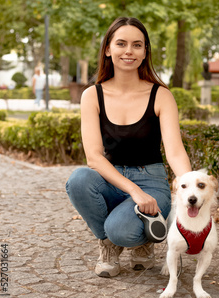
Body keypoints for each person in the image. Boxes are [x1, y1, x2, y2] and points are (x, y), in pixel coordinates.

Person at [66, 16, 192, 278]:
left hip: (152, 181)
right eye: (121, 43)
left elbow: (175, 151)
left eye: (137, 45)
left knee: (123, 230)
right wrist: (134, 192)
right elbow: (94, 158)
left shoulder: (161, 95)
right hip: (110, 179)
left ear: (145, 53)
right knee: (78, 180)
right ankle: (109, 244)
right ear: (108, 50)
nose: (129, 51)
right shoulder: (92, 95)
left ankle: (143, 240)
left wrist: (188, 188)